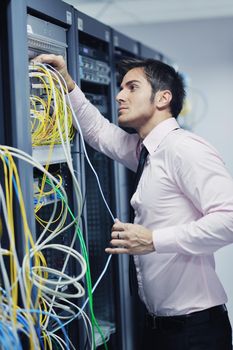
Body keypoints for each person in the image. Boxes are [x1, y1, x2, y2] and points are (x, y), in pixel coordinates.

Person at [33, 54, 233, 349]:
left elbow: (229, 218)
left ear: (163, 98)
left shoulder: (183, 149)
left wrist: (154, 240)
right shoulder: (147, 150)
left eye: (132, 87)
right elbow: (99, 132)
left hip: (194, 331)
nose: (119, 95)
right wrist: (67, 82)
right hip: (159, 327)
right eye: (121, 87)